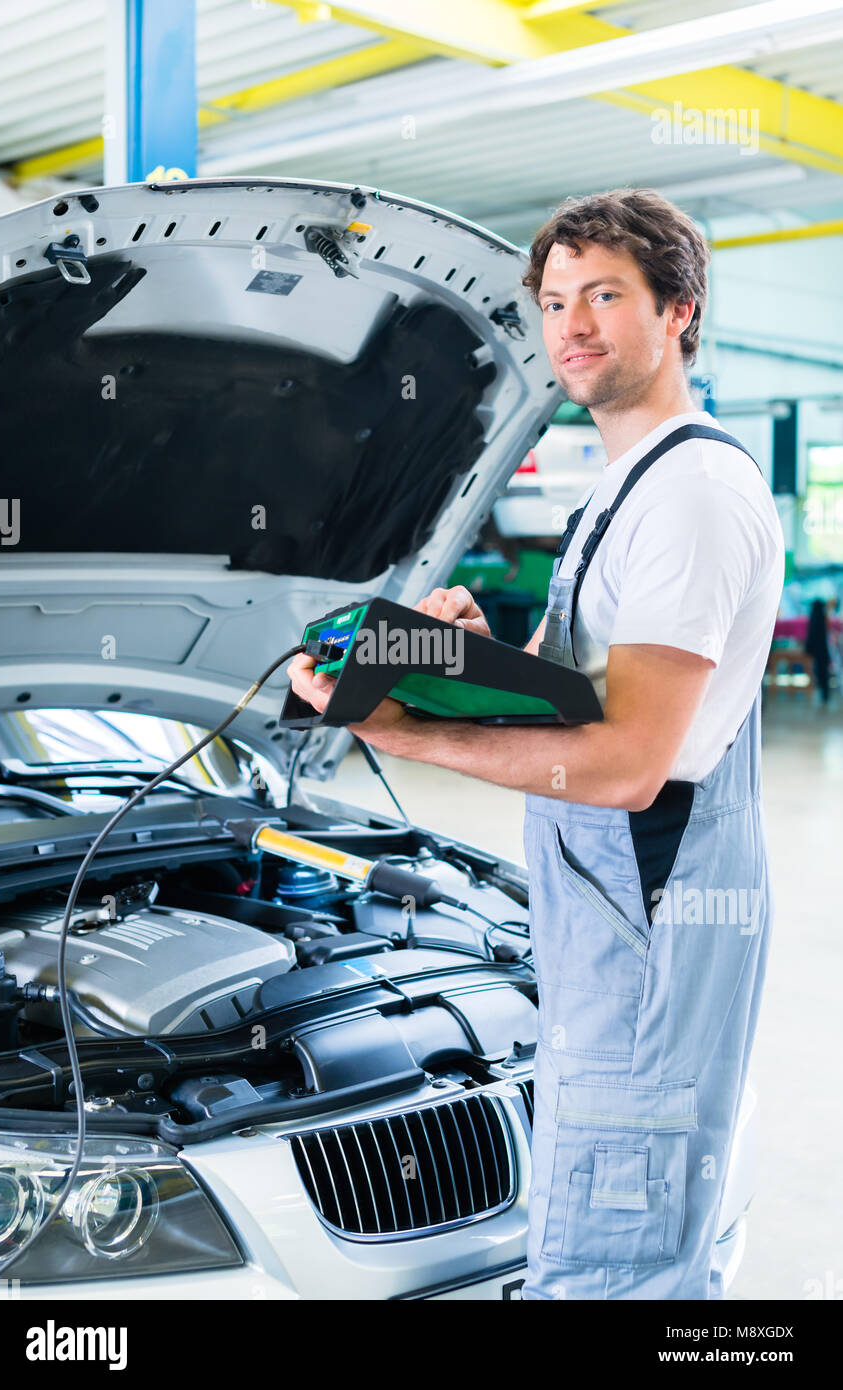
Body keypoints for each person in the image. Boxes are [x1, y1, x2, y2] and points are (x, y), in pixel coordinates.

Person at [288, 187, 785, 1300]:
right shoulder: (629, 481)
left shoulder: (692, 493)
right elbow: (581, 695)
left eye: (606, 295)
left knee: (617, 1255)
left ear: (681, 313)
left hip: (646, 903)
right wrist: (458, 658)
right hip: (617, 903)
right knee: (621, 1223)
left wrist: (405, 731)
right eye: (557, 300)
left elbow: (624, 761)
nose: (572, 325)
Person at [805, 598, 831, 703]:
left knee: (820, 672)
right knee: (823, 672)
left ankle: (823, 694)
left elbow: (811, 637)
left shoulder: (814, 619)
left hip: (817, 651)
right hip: (823, 651)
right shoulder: (822, 618)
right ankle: (825, 694)